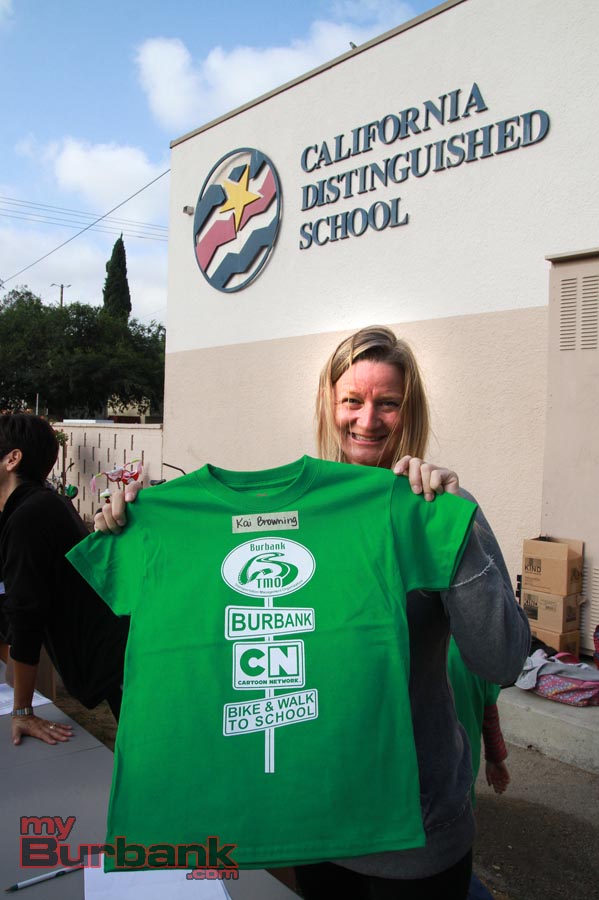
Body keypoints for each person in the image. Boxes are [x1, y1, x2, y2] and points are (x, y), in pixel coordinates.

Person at [94, 326, 529, 899]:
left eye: (388, 403)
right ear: (330, 405)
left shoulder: (430, 508)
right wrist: (133, 527)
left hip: (420, 834)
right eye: (352, 400)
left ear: (411, 409)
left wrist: (454, 526)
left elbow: (501, 662)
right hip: (317, 822)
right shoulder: (304, 517)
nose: (368, 419)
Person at [0, 414, 129, 746]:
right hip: (116, 659)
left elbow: (25, 615)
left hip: (120, 665)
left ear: (13, 459)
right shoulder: (41, 504)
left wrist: (21, 711)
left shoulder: (30, 516)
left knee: (151, 756)